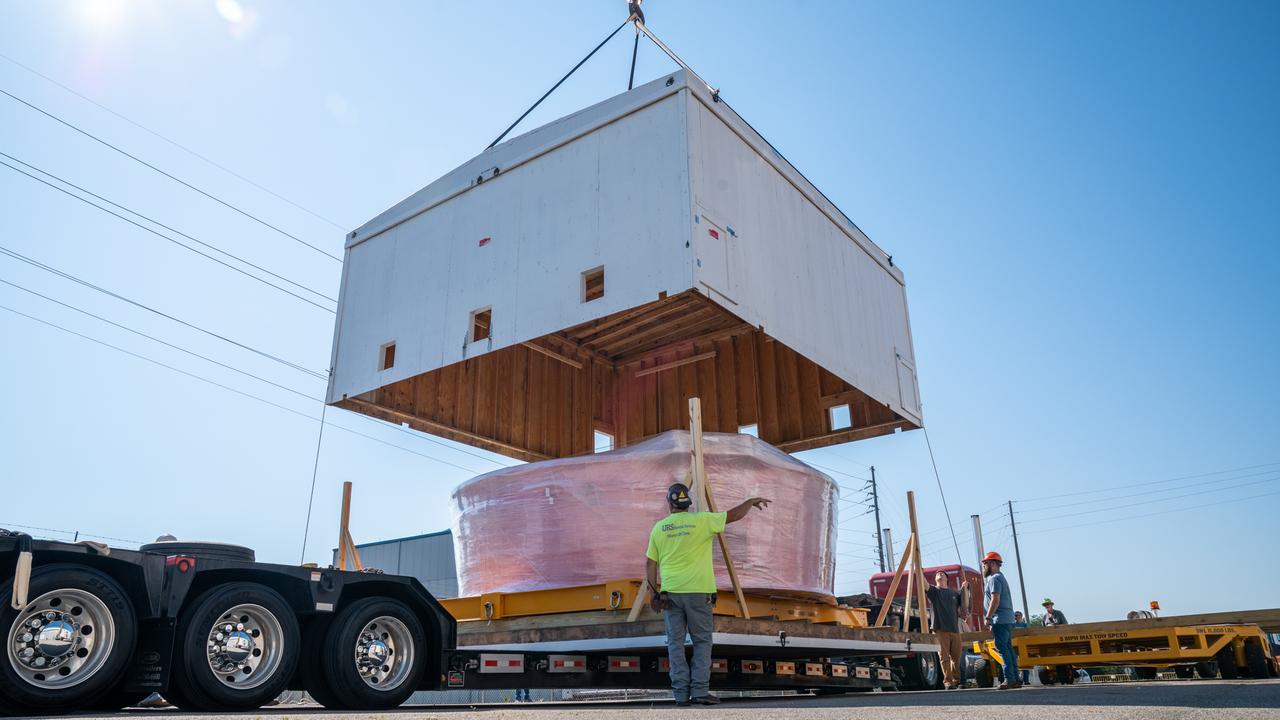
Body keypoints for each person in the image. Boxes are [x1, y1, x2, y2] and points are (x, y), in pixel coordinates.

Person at [646, 481, 770, 707]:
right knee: (702, 642)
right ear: (688, 503)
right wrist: (749, 502)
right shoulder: (702, 521)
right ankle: (700, 691)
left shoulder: (659, 528)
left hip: (671, 594)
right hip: (698, 593)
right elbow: (732, 515)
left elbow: (650, 564)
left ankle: (680, 695)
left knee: (675, 644)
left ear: (669, 504)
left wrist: (653, 592)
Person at [981, 551, 1022, 689]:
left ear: (992, 564)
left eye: (985, 564)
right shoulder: (1001, 577)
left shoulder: (994, 579)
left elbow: (995, 599)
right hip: (1007, 619)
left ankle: (1009, 679)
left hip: (1000, 620)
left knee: (1002, 649)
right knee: (1008, 648)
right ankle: (1015, 679)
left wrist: (988, 617)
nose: (984, 567)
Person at [926, 570, 963, 689]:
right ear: (935, 579)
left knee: (956, 658)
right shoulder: (934, 591)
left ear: (947, 579)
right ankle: (948, 681)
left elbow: (964, 607)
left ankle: (957, 681)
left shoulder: (954, 594)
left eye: (942, 574)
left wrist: (965, 588)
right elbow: (924, 584)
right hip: (940, 629)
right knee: (944, 657)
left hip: (955, 630)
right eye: (937, 574)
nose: (940, 574)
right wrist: (919, 572)